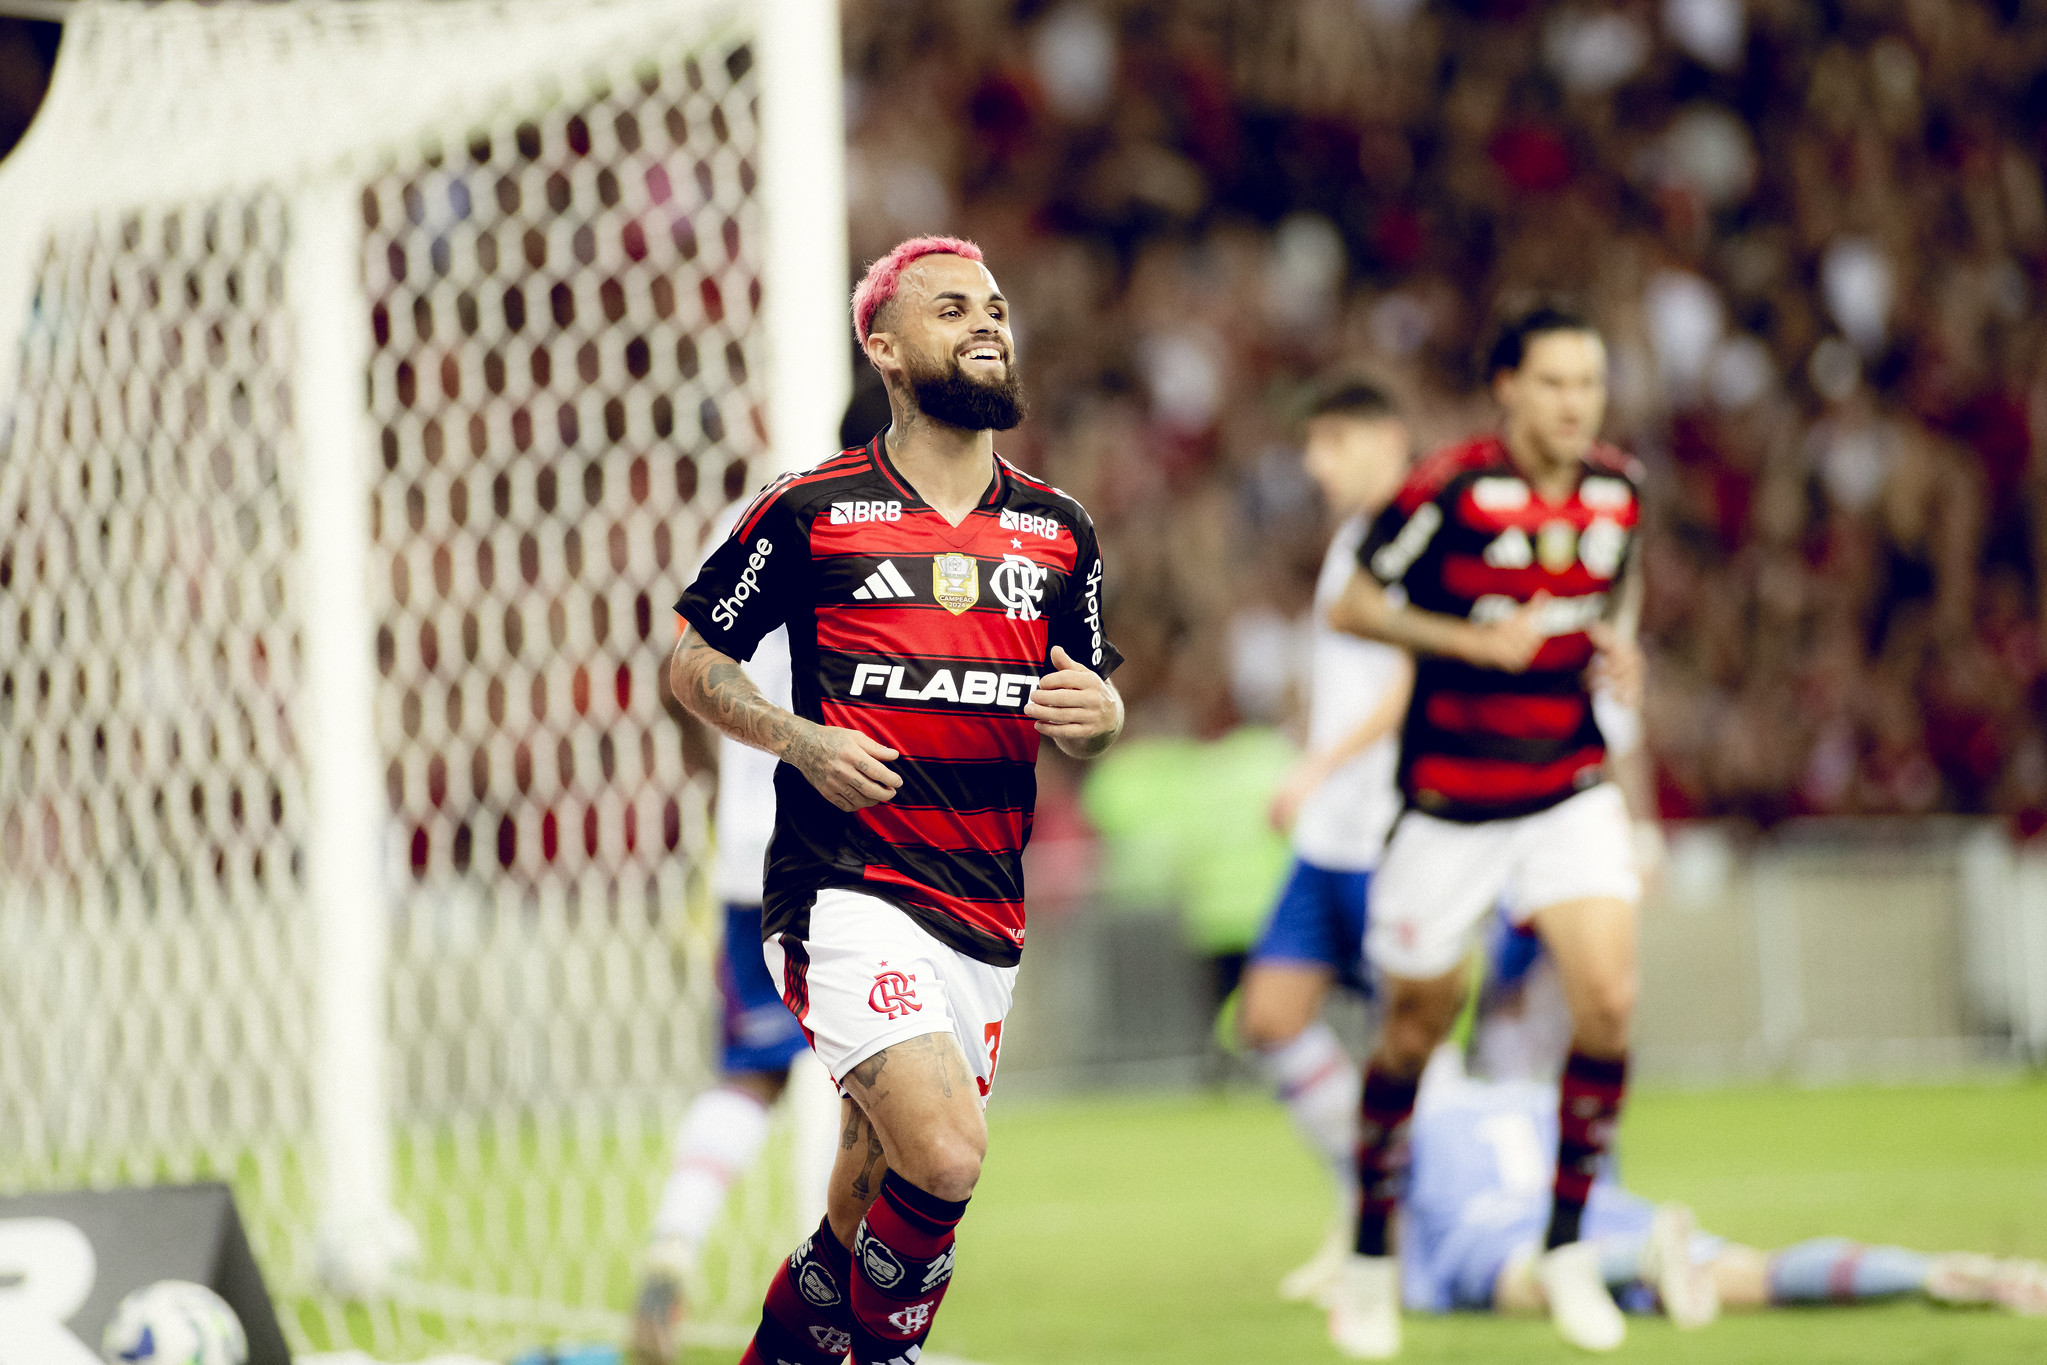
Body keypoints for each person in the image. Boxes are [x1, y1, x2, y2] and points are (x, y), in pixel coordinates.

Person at [670, 235, 1124, 1365]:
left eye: (997, 308)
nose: (987, 324)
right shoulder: (805, 510)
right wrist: (798, 739)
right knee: (947, 1155)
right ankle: (889, 1354)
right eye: (951, 308)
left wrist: (1103, 718)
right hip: (846, 887)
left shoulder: (1059, 532)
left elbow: (1091, 692)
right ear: (883, 346)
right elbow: (691, 660)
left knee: (863, 1190)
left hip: (984, 904)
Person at [1324, 304, 1651, 1356]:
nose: (1573, 404)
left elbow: (1619, 592)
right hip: (1451, 806)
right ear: (1505, 386)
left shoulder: (1619, 490)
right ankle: (1371, 1252)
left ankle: (1563, 1245)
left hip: (1566, 786)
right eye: (1553, 383)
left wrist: (1620, 650)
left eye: (1587, 385)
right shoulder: (1447, 489)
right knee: (1418, 1027)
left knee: (1606, 1002)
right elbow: (1354, 607)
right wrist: (1464, 638)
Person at [1401, 1059, 2047, 1327]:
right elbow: (1603, 1163)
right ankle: (1927, 1271)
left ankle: (1638, 1260)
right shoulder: (1540, 1094)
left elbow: (1386, 1230)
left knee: (1525, 1281)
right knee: (1754, 1273)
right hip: (1608, 1212)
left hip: (1492, 1230)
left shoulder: (1414, 1118)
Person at [1232, 380, 1415, 1299]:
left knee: (1410, 1044)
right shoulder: (1350, 540)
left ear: (1386, 438)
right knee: (1268, 1015)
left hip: (1394, 832)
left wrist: (1314, 767)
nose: (1315, 462)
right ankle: (1366, 1202)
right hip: (1329, 836)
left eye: (1332, 442)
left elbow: (1408, 686)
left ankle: (1418, 1223)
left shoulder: (1421, 536)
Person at [631, 508, 811, 1364]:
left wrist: (716, 775)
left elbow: (674, 662)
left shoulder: (746, 522)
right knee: (889, 1083)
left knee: (752, 1075)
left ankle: (673, 1241)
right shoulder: (908, 525)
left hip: (749, 856)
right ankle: (858, 1302)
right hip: (864, 841)